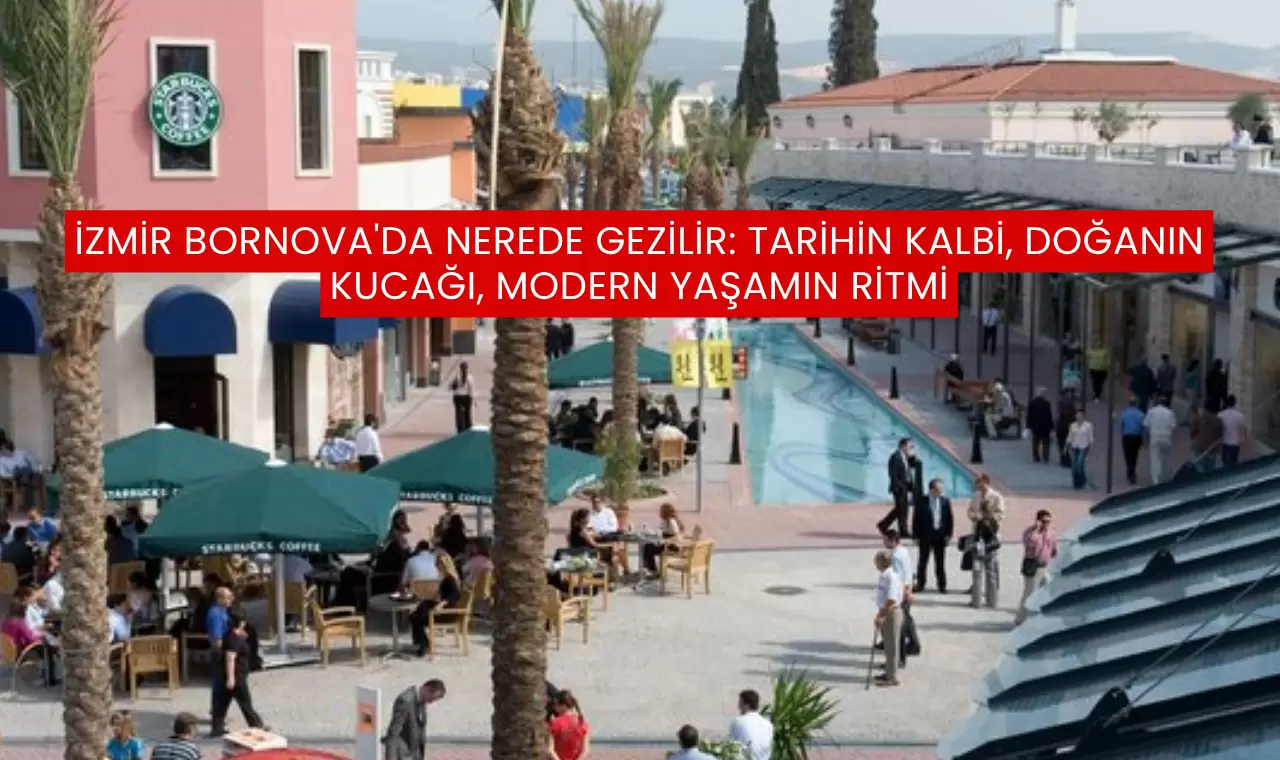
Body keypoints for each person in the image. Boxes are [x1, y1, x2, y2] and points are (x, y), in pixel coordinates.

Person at [210, 613, 265, 736]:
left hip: (231, 675)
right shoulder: (234, 639)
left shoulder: (231, 635)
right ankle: (257, 725)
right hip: (236, 676)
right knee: (245, 701)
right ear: (241, 623)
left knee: (222, 702)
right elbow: (230, 658)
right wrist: (231, 678)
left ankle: (217, 728)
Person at [409, 553, 462, 657]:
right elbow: (442, 594)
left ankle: (423, 644)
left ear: (445, 564)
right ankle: (423, 643)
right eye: (437, 563)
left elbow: (455, 595)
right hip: (444, 610)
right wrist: (434, 597)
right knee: (418, 611)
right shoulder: (446, 578)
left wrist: (441, 604)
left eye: (439, 563)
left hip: (447, 613)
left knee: (415, 618)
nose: (437, 566)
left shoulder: (450, 579)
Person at [383, 680, 447, 760]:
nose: (430, 702)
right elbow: (394, 731)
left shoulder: (421, 700)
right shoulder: (405, 700)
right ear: (426, 689)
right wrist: (390, 757)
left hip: (414, 754)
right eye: (431, 699)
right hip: (403, 754)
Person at [967, 475, 1004, 609]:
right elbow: (970, 511)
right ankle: (976, 601)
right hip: (978, 537)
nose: (980, 488)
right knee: (977, 570)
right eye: (978, 486)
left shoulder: (996, 497)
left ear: (987, 483)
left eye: (982, 485)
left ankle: (992, 601)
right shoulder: (975, 496)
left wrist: (988, 517)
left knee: (991, 571)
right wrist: (974, 517)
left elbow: (1001, 514)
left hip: (991, 537)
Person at [911, 478, 953, 594]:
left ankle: (942, 585)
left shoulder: (945, 501)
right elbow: (916, 519)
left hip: (940, 535)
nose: (941, 491)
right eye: (939, 489)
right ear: (932, 490)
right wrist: (915, 536)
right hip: (925, 535)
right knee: (923, 561)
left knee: (940, 562)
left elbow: (949, 519)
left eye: (942, 489)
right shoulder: (922, 501)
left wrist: (948, 534)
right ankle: (920, 584)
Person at [1016, 509, 1057, 625]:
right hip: (1033, 566)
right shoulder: (1030, 533)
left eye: (1049, 521)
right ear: (1038, 521)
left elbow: (1054, 549)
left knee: (1048, 588)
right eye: (1044, 521)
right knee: (1029, 593)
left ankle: (1040, 616)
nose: (1046, 524)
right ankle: (1021, 619)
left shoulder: (1051, 533)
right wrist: (1036, 530)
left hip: (1044, 566)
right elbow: (1029, 545)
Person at [872, 550, 903, 687]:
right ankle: (888, 672)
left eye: (876, 560)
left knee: (892, 646)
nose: (875, 563)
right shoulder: (884, 576)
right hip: (886, 612)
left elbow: (891, 600)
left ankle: (892, 677)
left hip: (891, 613)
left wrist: (882, 615)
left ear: (882, 562)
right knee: (888, 645)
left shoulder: (891, 577)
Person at [877, 438, 913, 538]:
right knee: (902, 509)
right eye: (909, 446)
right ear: (903, 446)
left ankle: (883, 525)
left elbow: (907, 471)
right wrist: (899, 486)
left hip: (905, 487)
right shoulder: (895, 457)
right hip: (899, 488)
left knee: (901, 509)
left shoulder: (905, 457)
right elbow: (892, 474)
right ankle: (903, 531)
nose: (911, 448)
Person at [727, 689, 773, 760]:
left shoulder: (738, 721)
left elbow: (729, 747)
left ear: (746, 705)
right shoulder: (769, 725)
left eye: (740, 703)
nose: (738, 707)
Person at [643, 503, 685, 575]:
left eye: (660, 511)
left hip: (672, 546)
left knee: (648, 548)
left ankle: (653, 570)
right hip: (666, 544)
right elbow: (661, 532)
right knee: (647, 546)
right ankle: (649, 568)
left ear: (665, 512)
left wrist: (666, 540)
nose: (659, 512)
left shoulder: (671, 522)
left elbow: (677, 536)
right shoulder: (664, 521)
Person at [547, 689, 590, 760]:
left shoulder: (553, 723)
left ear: (563, 706)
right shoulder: (582, 723)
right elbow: (585, 751)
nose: (554, 708)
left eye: (555, 705)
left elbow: (550, 750)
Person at [1144, 395, 1177, 484]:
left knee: (1155, 460)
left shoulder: (1151, 411)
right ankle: (1166, 478)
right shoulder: (1170, 413)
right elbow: (1173, 426)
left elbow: (1146, 426)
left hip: (1155, 438)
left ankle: (1156, 480)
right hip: (1166, 438)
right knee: (1166, 459)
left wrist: (1145, 440)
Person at [1119, 398, 1146, 485]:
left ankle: (1130, 471)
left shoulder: (1124, 413)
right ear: (1136, 404)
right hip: (1137, 436)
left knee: (1127, 455)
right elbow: (1142, 427)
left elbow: (1122, 424)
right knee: (1135, 455)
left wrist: (1122, 433)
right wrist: (1142, 437)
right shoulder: (1140, 414)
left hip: (1127, 436)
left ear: (1129, 404)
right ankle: (1132, 471)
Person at [1066, 407, 1094, 490]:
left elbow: (1090, 437)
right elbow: (1070, 436)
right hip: (1074, 447)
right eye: (1077, 415)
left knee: (1079, 463)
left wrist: (1090, 445)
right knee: (1074, 465)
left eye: (1081, 415)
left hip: (1083, 447)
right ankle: (1076, 482)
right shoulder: (1072, 425)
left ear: (1083, 416)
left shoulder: (1088, 425)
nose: (1079, 416)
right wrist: (1067, 445)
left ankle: (1081, 481)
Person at [1191, 403, 1224, 472]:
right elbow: (1219, 436)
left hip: (1199, 448)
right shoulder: (1218, 421)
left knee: (1199, 468)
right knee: (1210, 470)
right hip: (1211, 449)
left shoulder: (1198, 418)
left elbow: (1192, 433)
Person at [1025, 388, 1054, 463]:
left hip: (1035, 426)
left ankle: (1036, 456)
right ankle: (1045, 456)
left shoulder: (1032, 403)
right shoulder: (1046, 403)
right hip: (1045, 426)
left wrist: (1028, 425)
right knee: (1046, 442)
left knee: (1035, 442)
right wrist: (1051, 427)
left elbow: (1029, 415)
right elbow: (1049, 416)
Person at [1219, 394, 1247, 466]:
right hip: (1235, 443)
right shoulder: (1240, 415)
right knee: (1234, 462)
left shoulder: (1221, 415)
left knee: (1226, 463)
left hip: (1225, 443)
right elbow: (1243, 429)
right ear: (1235, 403)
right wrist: (1243, 440)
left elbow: (1218, 429)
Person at [450, 362, 475, 432]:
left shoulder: (456, 377)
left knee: (458, 413)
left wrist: (454, 385)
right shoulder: (470, 377)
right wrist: (473, 398)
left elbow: (449, 387)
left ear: (460, 368)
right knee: (467, 413)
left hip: (458, 397)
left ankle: (460, 428)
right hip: (466, 397)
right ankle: (467, 428)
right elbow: (471, 390)